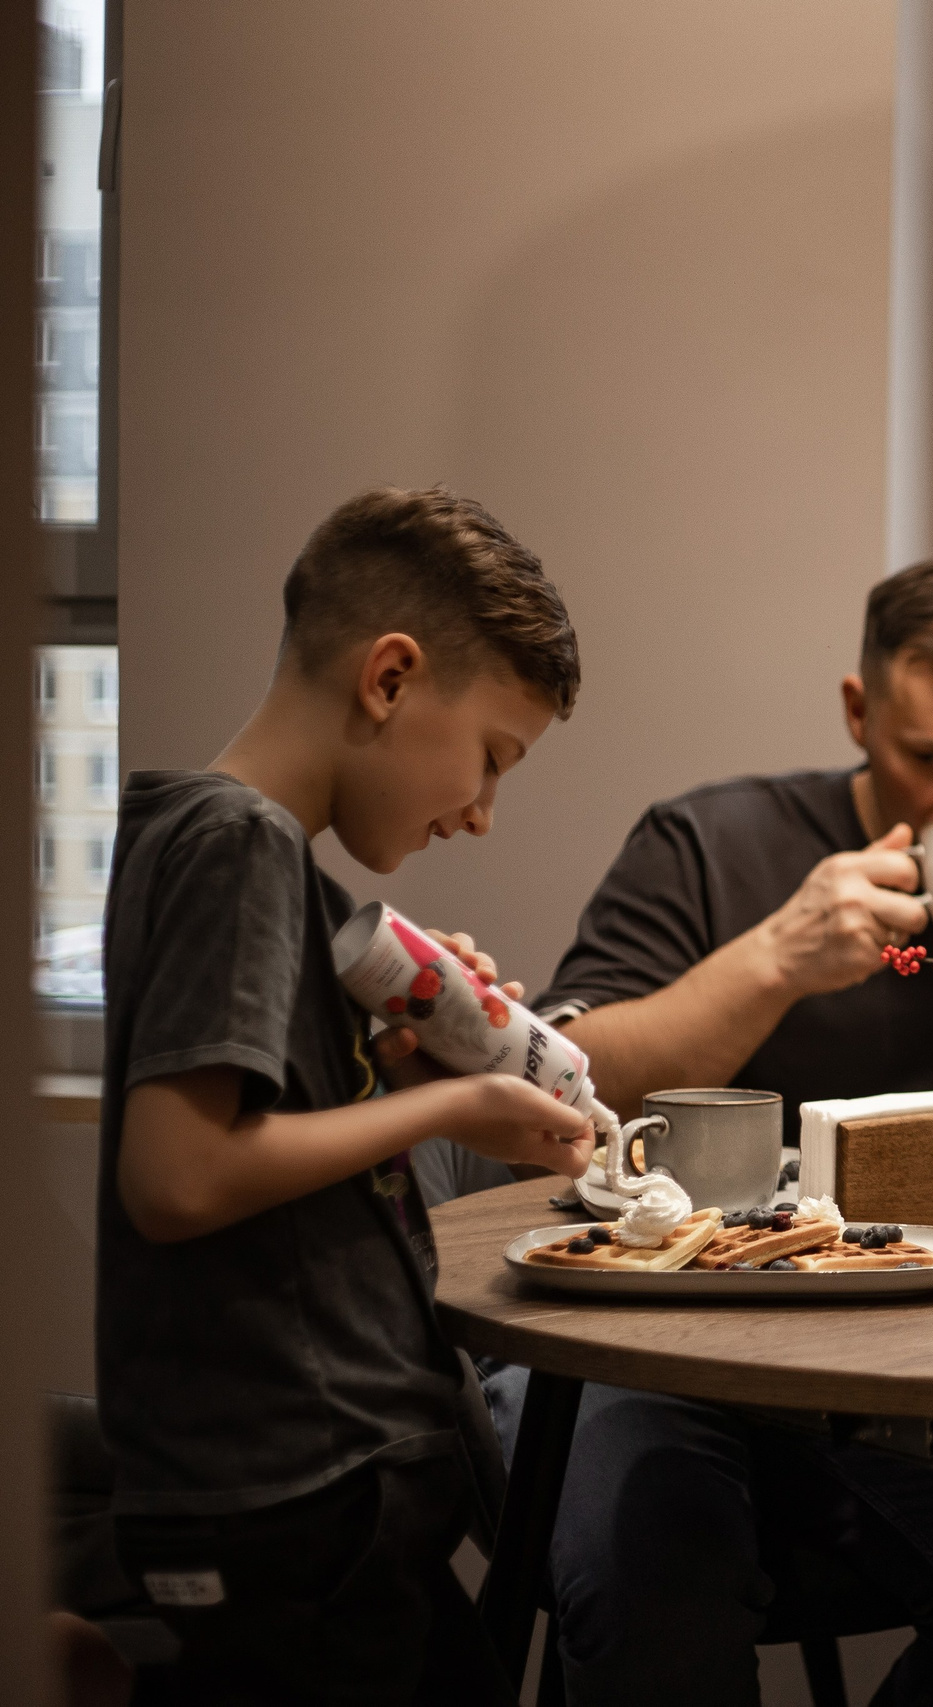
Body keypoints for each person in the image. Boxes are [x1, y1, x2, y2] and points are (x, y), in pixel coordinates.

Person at [475, 554, 933, 1705]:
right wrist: (774, 962)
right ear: (856, 711)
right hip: (663, 1346)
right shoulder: (711, 842)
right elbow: (566, 1097)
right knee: (648, 1581)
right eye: (930, 759)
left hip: (924, 1367)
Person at [99, 486, 594, 1704]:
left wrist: (412, 1055)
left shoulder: (209, 841)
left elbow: (284, 1127)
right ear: (388, 678)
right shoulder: (239, 846)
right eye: (491, 757)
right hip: (293, 1492)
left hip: (320, 1492)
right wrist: (450, 1116)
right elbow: (180, 1177)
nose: (480, 812)